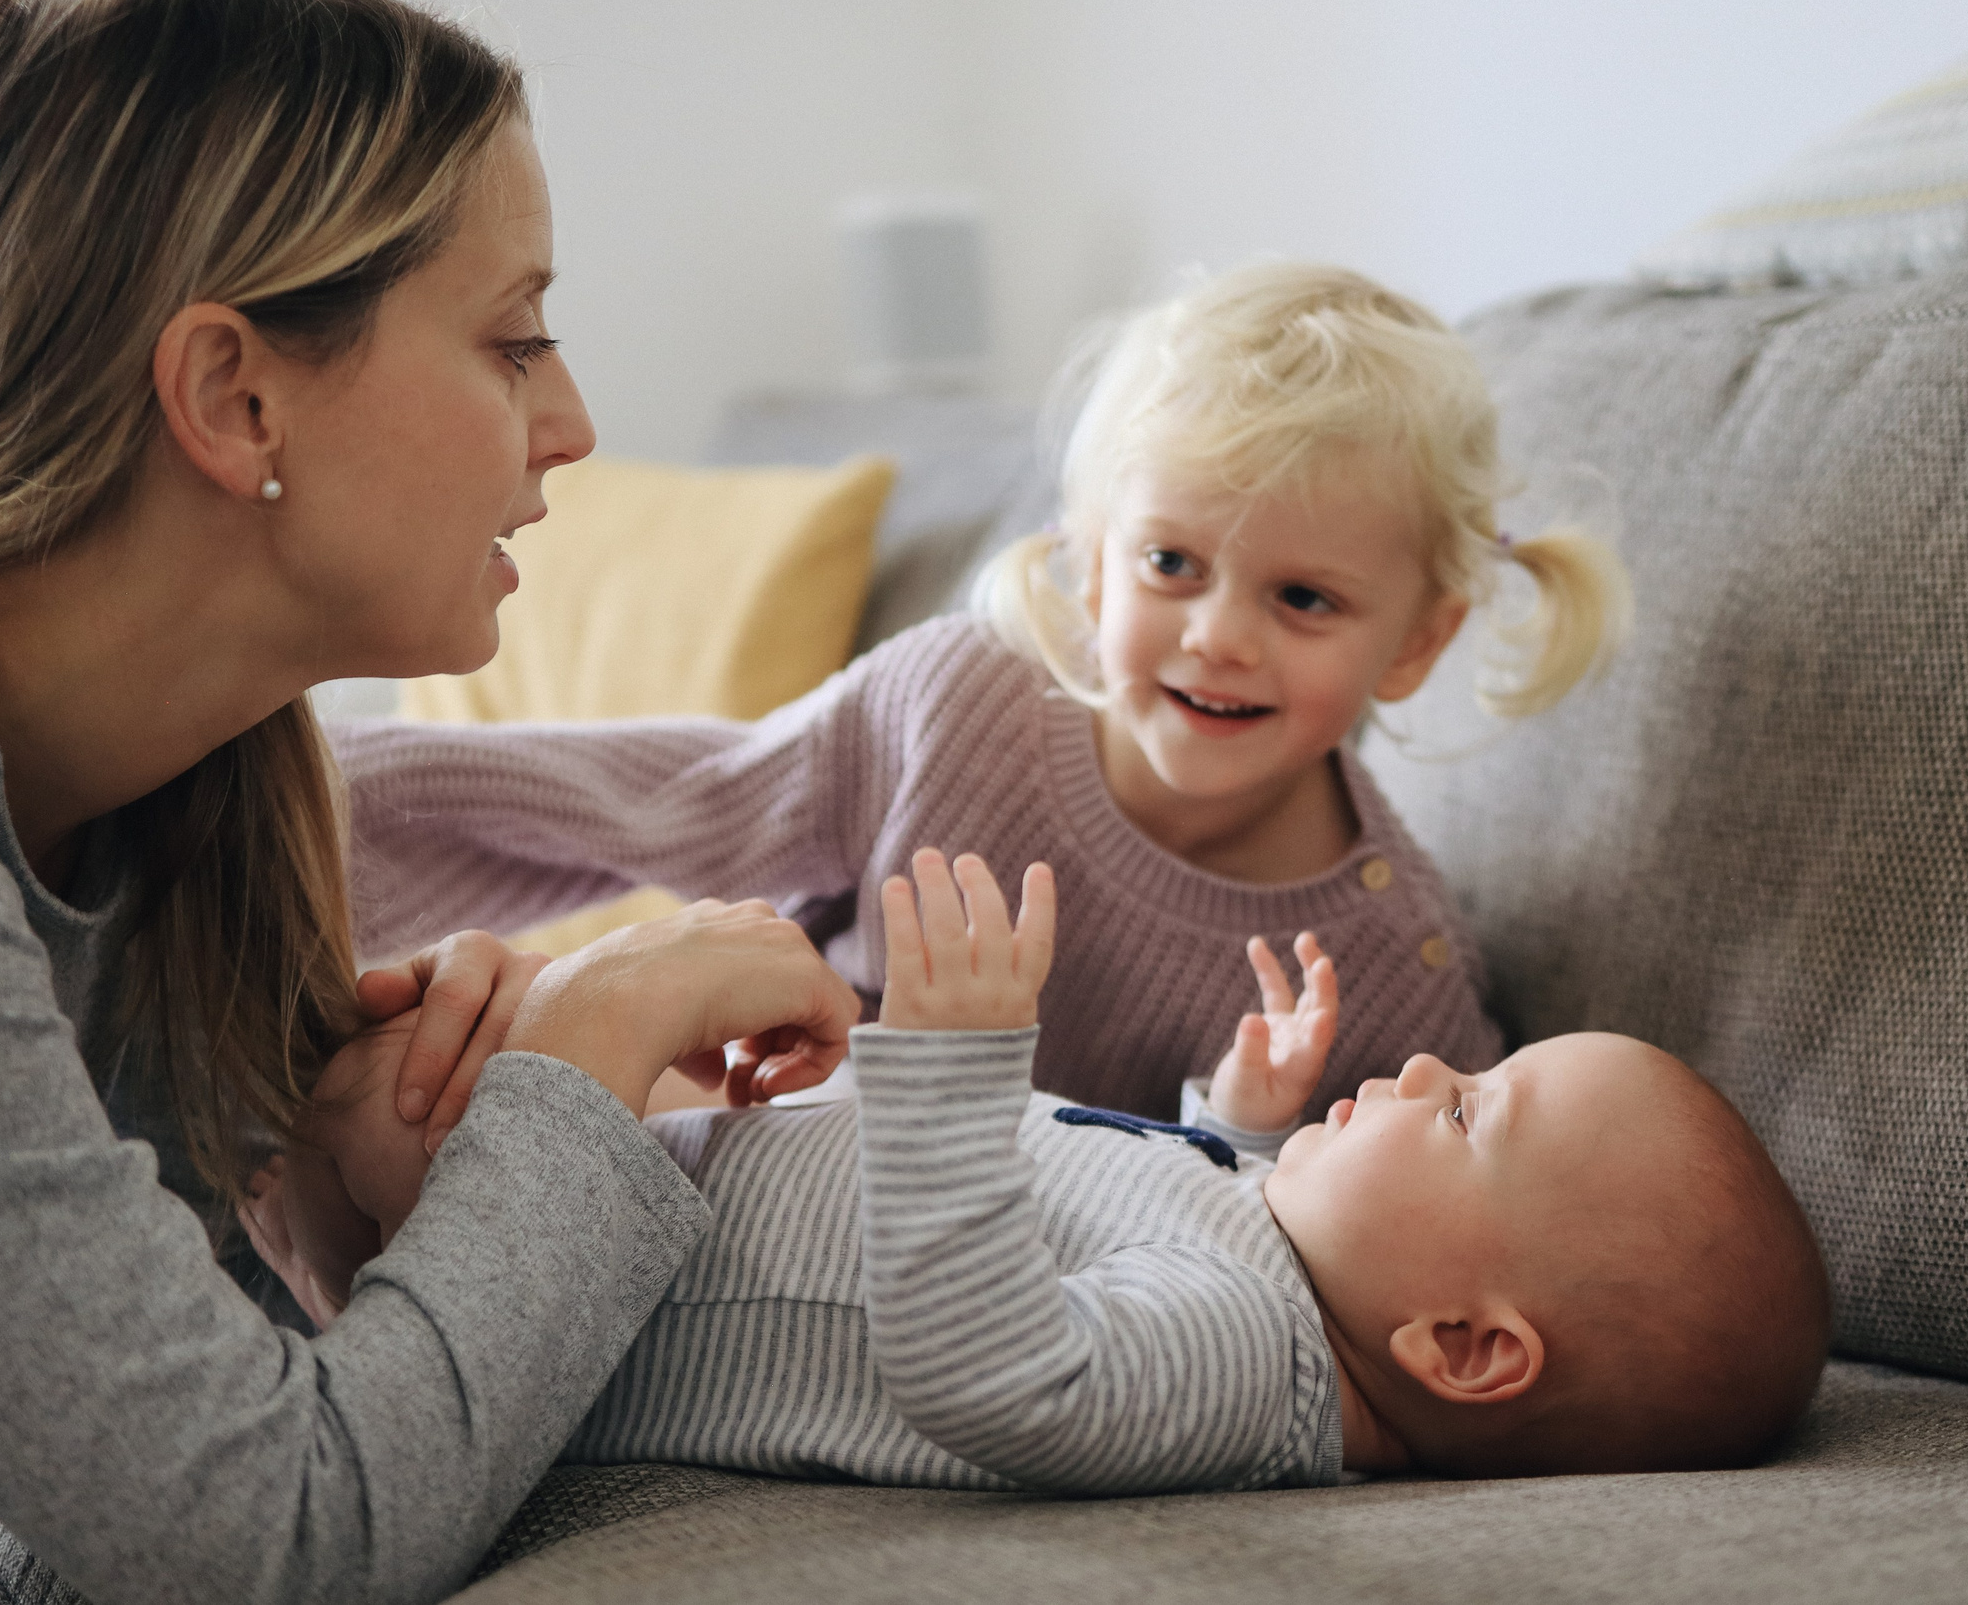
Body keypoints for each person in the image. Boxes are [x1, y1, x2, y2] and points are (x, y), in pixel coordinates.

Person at [0, 0, 859, 1605]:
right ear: (234, 394)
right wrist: (584, 1056)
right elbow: (274, 1545)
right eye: (512, 341)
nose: (568, 423)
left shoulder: (142, 807)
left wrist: (325, 1192)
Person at [334, 262, 1633, 1141]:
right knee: (420, 1067)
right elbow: (648, 802)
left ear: (1415, 642)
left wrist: (1245, 1123)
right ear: (1084, 559)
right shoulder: (957, 704)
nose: (1219, 637)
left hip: (980, 1312)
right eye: (1171, 564)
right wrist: (291, 812)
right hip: (744, 1154)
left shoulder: (1384, 964)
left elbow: (1389, 1234)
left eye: (1304, 599)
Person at [255, 849, 1832, 1491]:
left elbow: (994, 1362)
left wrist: (945, 1063)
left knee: (375, 1075)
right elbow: (1179, 1194)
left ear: (1467, 1349)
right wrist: (1252, 1116)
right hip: (662, 1186)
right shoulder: (1289, 1274)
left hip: (578, 1305)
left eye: (1474, 1109)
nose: (1424, 1068)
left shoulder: (1242, 1365)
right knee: (458, 1007)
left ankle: (277, 1211)